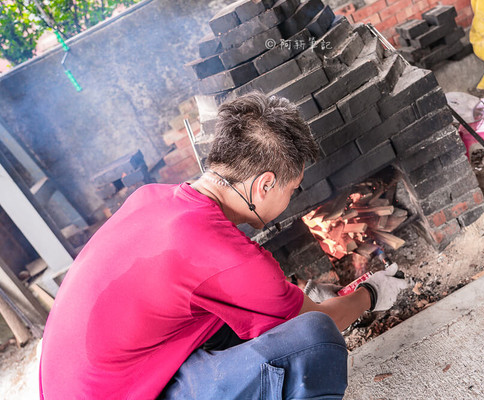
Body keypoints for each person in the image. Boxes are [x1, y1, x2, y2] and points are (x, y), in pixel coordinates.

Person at [39, 92, 409, 399]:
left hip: (72, 386)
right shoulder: (227, 256)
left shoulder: (150, 196)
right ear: (265, 184)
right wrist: (371, 294)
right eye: (291, 189)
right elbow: (321, 319)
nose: (291, 197)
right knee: (315, 339)